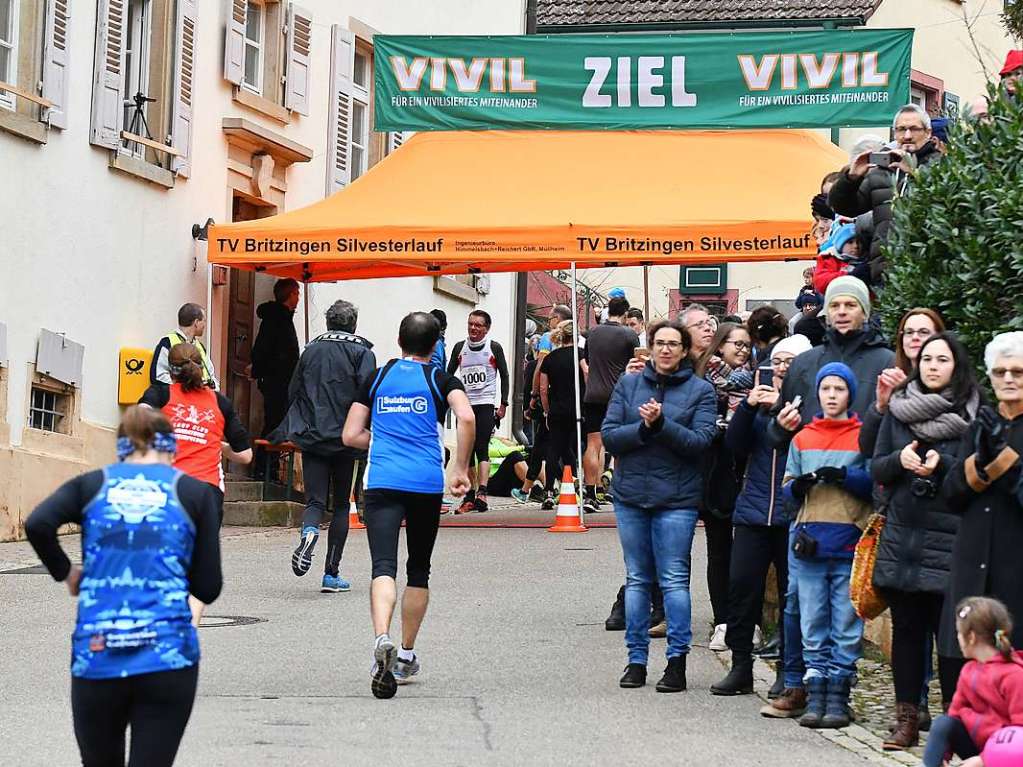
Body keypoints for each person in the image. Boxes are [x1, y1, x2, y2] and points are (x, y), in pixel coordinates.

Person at [24, 406, 222, 767]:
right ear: (170, 449)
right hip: (167, 658)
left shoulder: (92, 485)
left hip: (98, 655)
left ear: (122, 448)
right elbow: (208, 587)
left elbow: (38, 523)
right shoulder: (193, 493)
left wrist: (69, 574)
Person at [342, 312, 474, 699]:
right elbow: (465, 416)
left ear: (399, 340)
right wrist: (460, 467)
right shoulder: (439, 378)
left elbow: (350, 434)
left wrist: (382, 442)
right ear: (435, 346)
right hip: (424, 483)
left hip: (382, 480)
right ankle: (405, 653)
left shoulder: (378, 377)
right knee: (418, 568)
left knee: (383, 566)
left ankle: (380, 636)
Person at [870, 332, 982, 749]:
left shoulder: (973, 413)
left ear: (958, 366)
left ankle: (953, 723)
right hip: (904, 537)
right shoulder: (898, 411)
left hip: (952, 539)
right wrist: (900, 461)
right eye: (928, 359)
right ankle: (907, 718)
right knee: (907, 633)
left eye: (943, 359)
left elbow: (977, 473)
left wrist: (943, 465)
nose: (933, 366)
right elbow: (877, 468)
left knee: (952, 639)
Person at [602, 319, 718, 693]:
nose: (666, 349)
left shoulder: (701, 391)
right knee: (637, 579)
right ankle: (636, 660)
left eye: (673, 344)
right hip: (632, 495)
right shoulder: (628, 384)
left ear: (685, 351)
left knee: (673, 581)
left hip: (677, 499)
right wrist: (642, 429)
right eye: (660, 343)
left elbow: (700, 442)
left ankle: (676, 662)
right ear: (650, 348)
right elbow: (609, 436)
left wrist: (661, 424)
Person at [711, 334, 812, 698]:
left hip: (793, 514)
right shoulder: (756, 399)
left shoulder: (812, 405)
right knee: (742, 589)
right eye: (778, 361)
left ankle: (789, 669)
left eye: (791, 362)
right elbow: (734, 446)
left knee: (792, 596)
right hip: (753, 511)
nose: (783, 368)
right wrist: (751, 407)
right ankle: (741, 666)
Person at [782, 362, 873, 730]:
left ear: (850, 394)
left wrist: (846, 477)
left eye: (839, 389)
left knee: (846, 622)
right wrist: (798, 486)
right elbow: (787, 487)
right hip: (810, 542)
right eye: (826, 389)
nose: (832, 396)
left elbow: (873, 484)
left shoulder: (862, 436)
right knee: (812, 619)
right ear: (817, 394)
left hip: (849, 541)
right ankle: (816, 692)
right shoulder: (802, 437)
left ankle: (839, 693)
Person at [941, 332, 1023, 694]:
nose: (1008, 379)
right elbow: (952, 494)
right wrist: (982, 460)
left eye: (1018, 372)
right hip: (973, 556)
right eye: (1000, 372)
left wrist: (1005, 460)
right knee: (962, 657)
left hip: (1015, 560)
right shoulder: (981, 425)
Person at [279, 299, 376, 592]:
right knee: (341, 505)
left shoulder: (312, 349)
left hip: (313, 434)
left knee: (315, 501)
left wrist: (300, 423)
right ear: (353, 323)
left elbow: (293, 389)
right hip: (347, 437)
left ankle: (309, 532)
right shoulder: (363, 351)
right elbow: (368, 393)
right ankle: (331, 574)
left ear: (329, 322)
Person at [828, 104, 942, 286]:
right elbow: (844, 207)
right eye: (901, 129)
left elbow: (946, 206)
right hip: (886, 271)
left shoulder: (942, 166)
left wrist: (916, 175)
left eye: (914, 129)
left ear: (928, 133)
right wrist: (851, 177)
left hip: (930, 269)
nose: (907, 136)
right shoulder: (881, 170)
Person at [695, 322, 754, 651]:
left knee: (746, 555)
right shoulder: (704, 380)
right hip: (715, 473)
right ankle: (722, 621)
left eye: (747, 345)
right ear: (720, 346)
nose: (743, 350)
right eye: (737, 344)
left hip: (744, 473)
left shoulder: (755, 380)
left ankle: (747, 621)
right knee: (719, 552)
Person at [139, 343, 252, 512]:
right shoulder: (221, 402)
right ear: (201, 368)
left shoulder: (160, 394)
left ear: (170, 371)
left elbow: (137, 418)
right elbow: (245, 456)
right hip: (207, 492)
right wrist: (216, 444)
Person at [922, 597, 1023, 767]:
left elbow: (1019, 731)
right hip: (976, 746)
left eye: (959, 634)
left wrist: (984, 760)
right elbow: (955, 713)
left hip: (1007, 753)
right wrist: (943, 754)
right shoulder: (968, 671)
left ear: (971, 637)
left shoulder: (1014, 675)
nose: (957, 639)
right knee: (943, 722)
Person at [580, 296, 640, 514]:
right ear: (625, 315)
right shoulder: (629, 334)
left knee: (593, 444)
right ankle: (616, 488)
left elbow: (585, 360)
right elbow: (638, 361)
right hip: (618, 394)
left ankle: (590, 492)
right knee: (620, 443)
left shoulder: (592, 333)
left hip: (593, 393)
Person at [447, 310, 510, 514]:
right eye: (470, 324)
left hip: (484, 403)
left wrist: (503, 404)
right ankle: (470, 495)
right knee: (467, 450)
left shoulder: (493, 348)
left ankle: (482, 492)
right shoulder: (460, 348)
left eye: (478, 325)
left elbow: (505, 375)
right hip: (465, 405)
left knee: (481, 446)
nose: (473, 328)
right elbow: (448, 375)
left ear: (486, 328)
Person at [249, 278, 300, 479]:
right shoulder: (276, 319)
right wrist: (259, 371)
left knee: (276, 423)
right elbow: (263, 349)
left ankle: (269, 469)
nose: (298, 298)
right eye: (297, 293)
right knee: (274, 423)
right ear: (290, 295)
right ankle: (264, 469)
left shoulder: (283, 317)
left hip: (281, 380)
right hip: (276, 381)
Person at [539, 320, 585, 509]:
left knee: (555, 448)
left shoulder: (550, 358)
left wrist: (547, 410)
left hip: (557, 409)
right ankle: (575, 486)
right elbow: (587, 373)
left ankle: (549, 491)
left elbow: (543, 388)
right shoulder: (580, 355)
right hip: (577, 408)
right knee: (572, 448)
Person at [151, 303, 217, 389]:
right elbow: (158, 376)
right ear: (196, 322)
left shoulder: (200, 346)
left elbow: (211, 376)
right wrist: (186, 388)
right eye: (204, 320)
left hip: (202, 397)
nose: (205, 324)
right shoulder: (167, 342)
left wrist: (212, 389)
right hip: (177, 399)